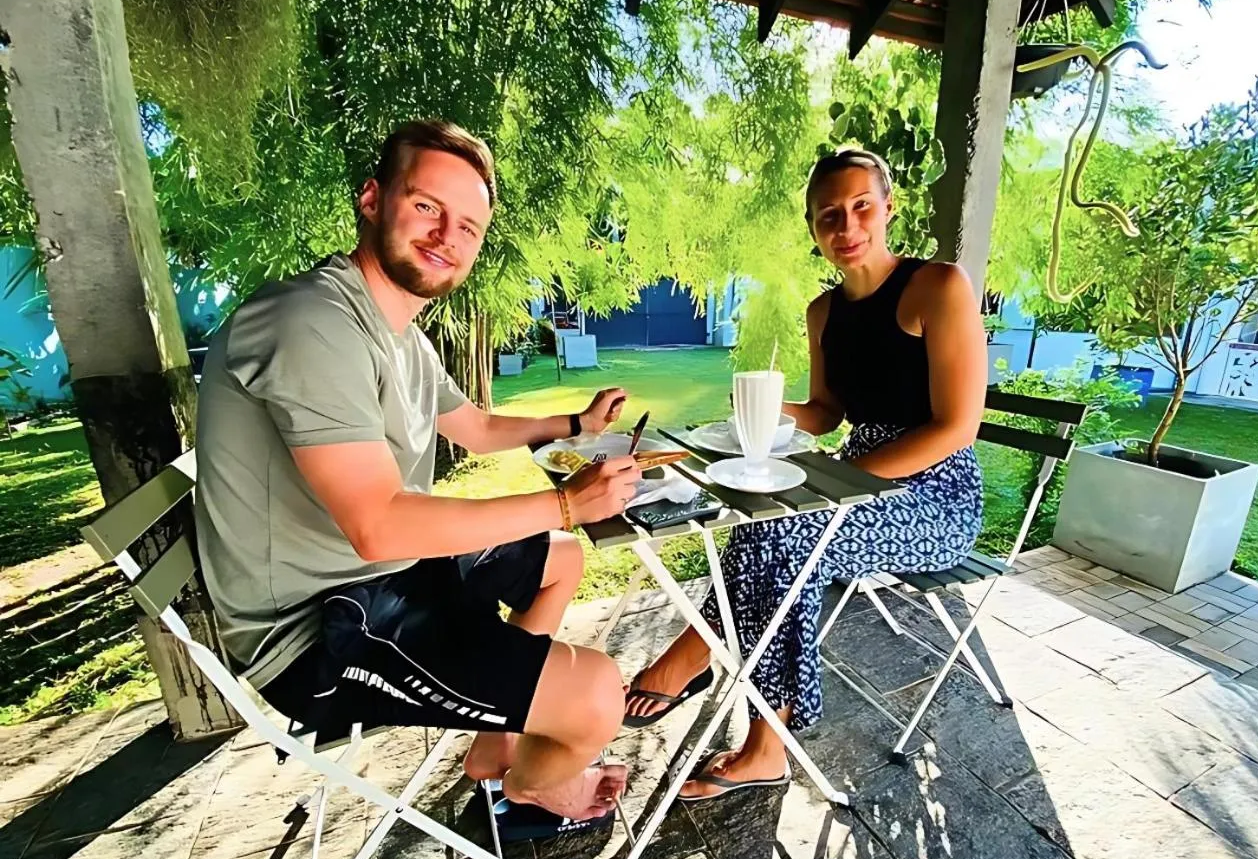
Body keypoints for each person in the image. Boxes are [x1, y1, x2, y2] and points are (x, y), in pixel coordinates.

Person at [195, 119, 642, 822]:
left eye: (467, 225)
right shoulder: (312, 322)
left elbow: (478, 427)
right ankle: (529, 785)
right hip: (319, 629)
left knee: (561, 561)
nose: (446, 235)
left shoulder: (401, 333)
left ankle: (493, 745)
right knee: (596, 698)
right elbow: (377, 524)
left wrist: (576, 426)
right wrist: (565, 506)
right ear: (372, 199)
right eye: (428, 206)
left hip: (383, 575)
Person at [623, 148, 986, 800]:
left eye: (860, 208)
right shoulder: (824, 314)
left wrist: (841, 484)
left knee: (788, 535)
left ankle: (749, 722)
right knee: (760, 527)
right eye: (828, 216)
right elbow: (825, 414)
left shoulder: (938, 287)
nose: (846, 227)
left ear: (888, 206)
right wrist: (760, 407)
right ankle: (706, 666)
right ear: (813, 228)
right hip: (855, 476)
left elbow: (956, 427)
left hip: (937, 494)